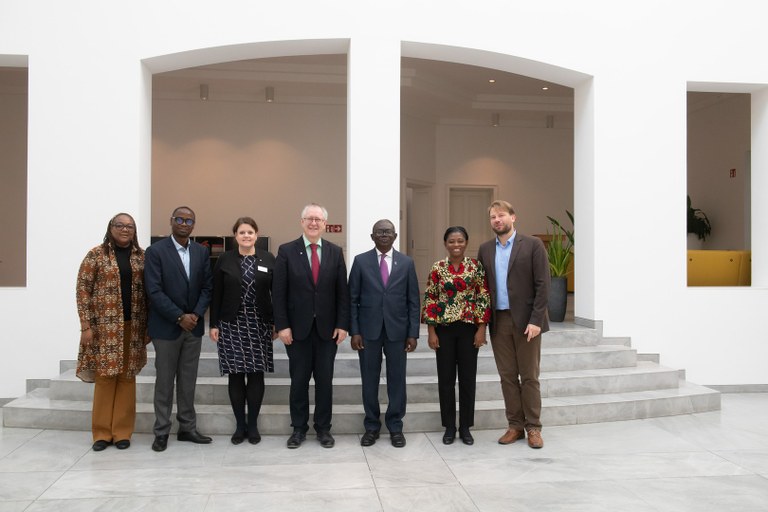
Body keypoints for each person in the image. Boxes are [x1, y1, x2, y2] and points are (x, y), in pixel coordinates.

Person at [272, 203, 350, 449]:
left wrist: (342, 324)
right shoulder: (286, 251)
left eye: (318, 219)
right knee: (299, 381)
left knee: (324, 381)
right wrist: (282, 326)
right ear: (302, 222)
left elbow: (342, 293)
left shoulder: (335, 252)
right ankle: (298, 429)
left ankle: (324, 429)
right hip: (297, 330)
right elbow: (279, 291)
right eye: (309, 219)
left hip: (328, 330)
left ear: (325, 224)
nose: (314, 223)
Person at [477, 200, 550, 449]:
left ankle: (534, 428)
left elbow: (543, 285)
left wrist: (536, 320)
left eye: (501, 215)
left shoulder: (532, 245)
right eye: (492, 217)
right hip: (499, 321)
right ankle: (515, 426)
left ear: (513, 217)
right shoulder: (485, 249)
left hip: (527, 322)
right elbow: (482, 287)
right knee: (507, 376)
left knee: (529, 376)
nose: (497, 220)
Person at [76, 213, 149, 451]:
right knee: (106, 377)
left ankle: (122, 432)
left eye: (130, 226)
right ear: (111, 227)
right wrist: (86, 325)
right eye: (120, 225)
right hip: (103, 328)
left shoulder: (141, 257)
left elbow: (148, 293)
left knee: (127, 377)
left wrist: (148, 327)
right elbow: (83, 290)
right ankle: (101, 433)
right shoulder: (96, 255)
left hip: (133, 325)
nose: (125, 229)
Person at [144, 206, 213, 452]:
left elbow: (207, 287)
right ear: (171, 221)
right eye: (180, 219)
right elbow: (153, 290)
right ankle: (162, 430)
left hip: (192, 329)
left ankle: (187, 428)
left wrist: (195, 315)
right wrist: (178, 316)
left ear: (194, 225)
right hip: (166, 328)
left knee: (188, 381)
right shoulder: (155, 251)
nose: (184, 223)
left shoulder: (201, 252)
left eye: (189, 220)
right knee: (164, 381)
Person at [349, 219, 419, 448]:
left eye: (388, 231)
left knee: (397, 380)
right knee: (369, 380)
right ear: (372, 236)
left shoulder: (407, 263)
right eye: (379, 232)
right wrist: (355, 331)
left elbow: (413, 301)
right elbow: (353, 300)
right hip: (368, 332)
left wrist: (413, 333)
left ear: (395, 235)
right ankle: (371, 426)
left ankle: (395, 427)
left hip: (398, 332)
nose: (384, 235)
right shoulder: (360, 262)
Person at [209, 217, 276, 445]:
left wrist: (276, 322)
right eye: (241, 232)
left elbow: (275, 292)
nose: (246, 236)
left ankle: (253, 425)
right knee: (236, 376)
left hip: (259, 323)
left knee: (256, 375)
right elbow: (216, 292)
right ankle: (240, 426)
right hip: (231, 323)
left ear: (257, 235)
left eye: (250, 232)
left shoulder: (268, 258)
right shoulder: (225, 260)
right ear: (235, 236)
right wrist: (214, 324)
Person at [422, 226, 491, 446]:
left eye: (460, 241)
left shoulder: (475, 267)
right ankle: (450, 427)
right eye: (452, 241)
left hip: (469, 329)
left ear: (466, 243)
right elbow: (430, 298)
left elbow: (483, 297)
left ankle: (465, 427)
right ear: (445, 244)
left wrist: (482, 329)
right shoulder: (437, 267)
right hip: (444, 330)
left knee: (468, 380)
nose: (456, 245)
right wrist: (431, 331)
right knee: (446, 380)